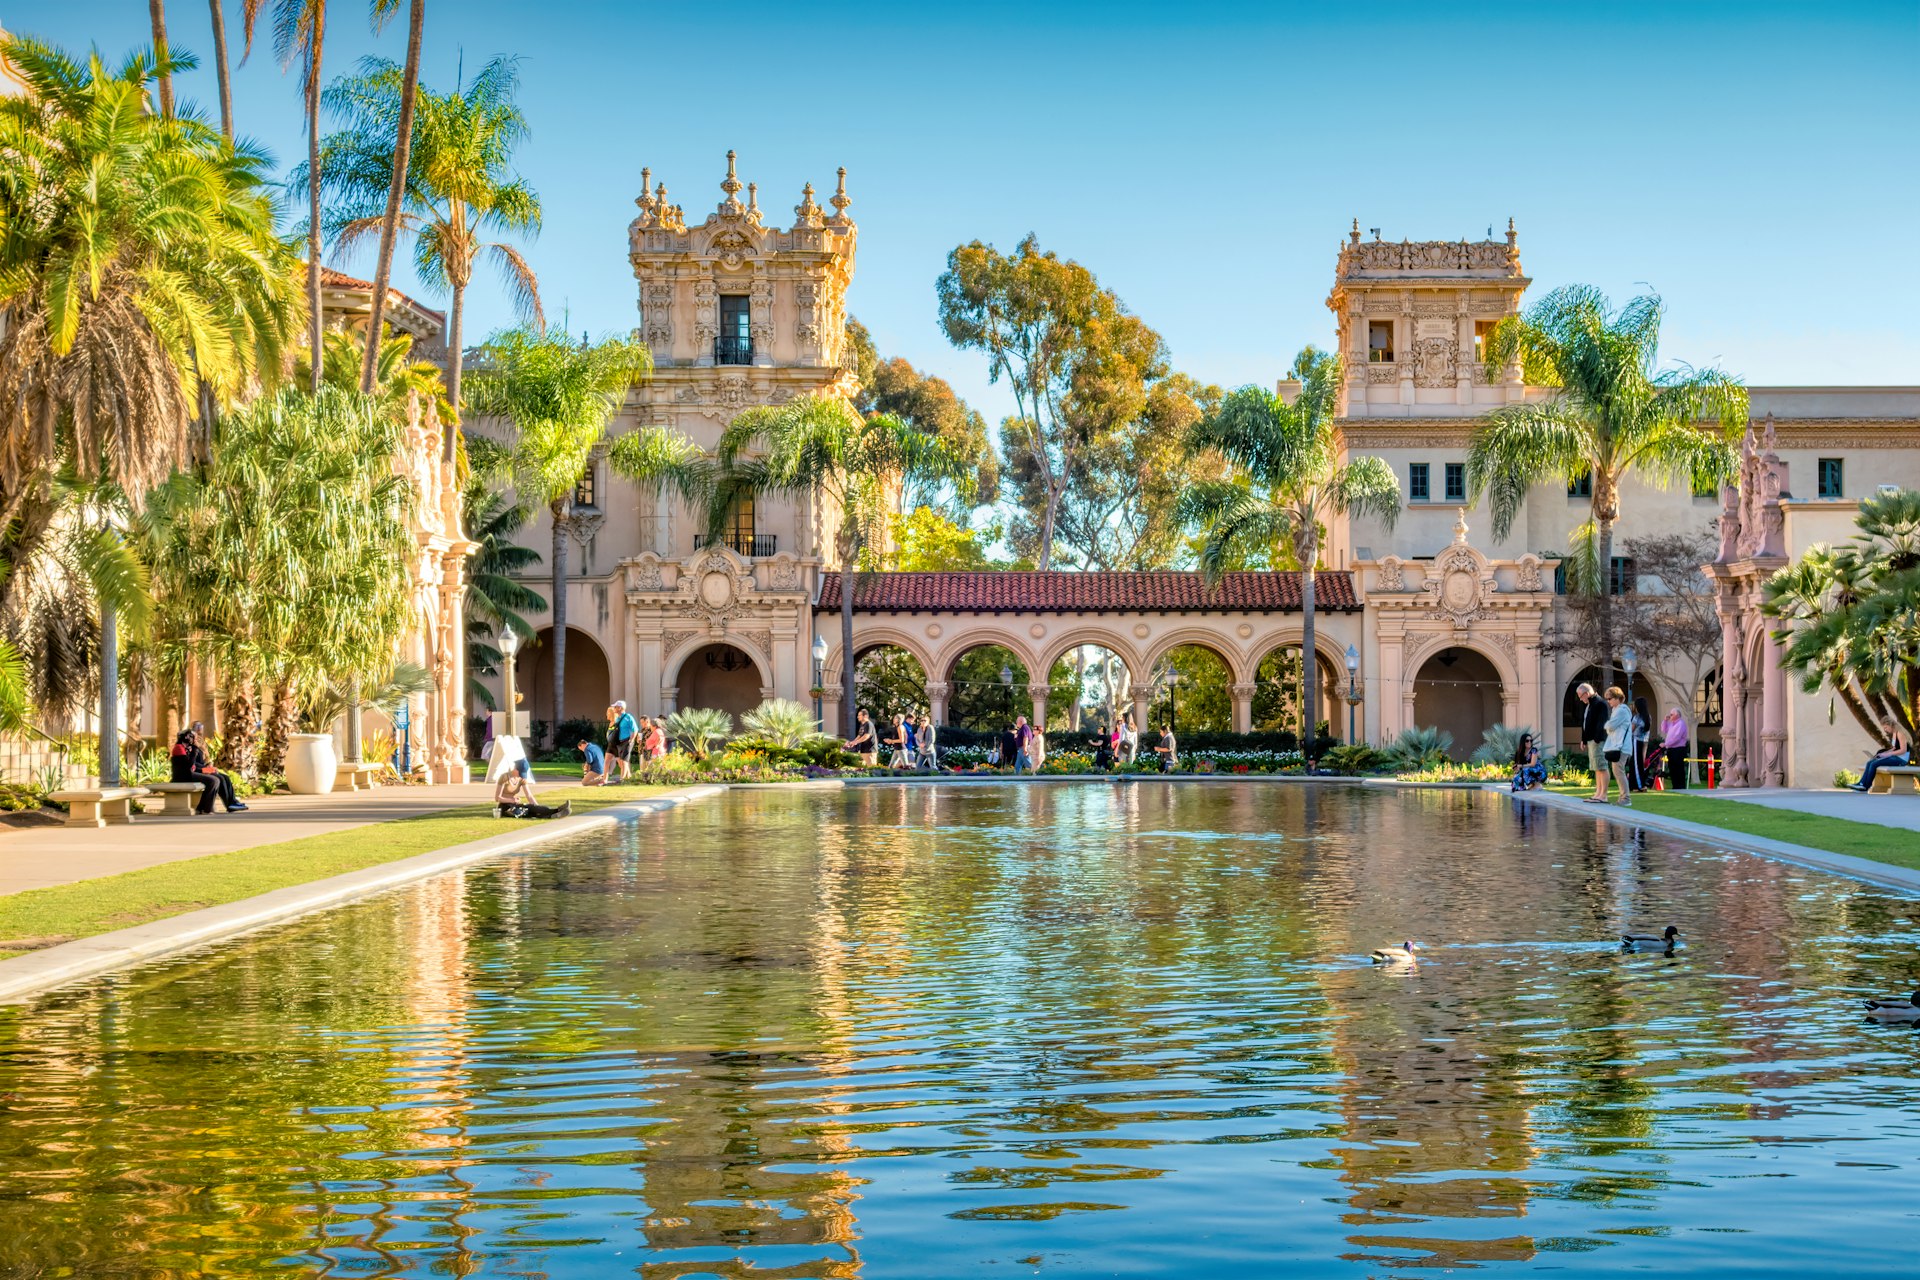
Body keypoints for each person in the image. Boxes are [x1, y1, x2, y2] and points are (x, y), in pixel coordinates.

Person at [170, 722, 246, 814]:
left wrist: (208, 766)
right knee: (217, 779)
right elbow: (191, 765)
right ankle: (210, 807)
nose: (195, 737)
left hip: (192, 772)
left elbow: (198, 763)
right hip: (187, 774)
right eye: (196, 728)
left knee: (224, 777)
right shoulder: (183, 748)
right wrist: (207, 768)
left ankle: (232, 802)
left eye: (201, 727)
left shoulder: (196, 746)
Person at [494, 757, 572, 819]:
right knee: (525, 811)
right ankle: (555, 813)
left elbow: (529, 795)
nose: (521, 776)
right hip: (505, 807)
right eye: (520, 773)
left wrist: (537, 807)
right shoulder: (504, 777)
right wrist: (512, 800)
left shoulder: (521, 779)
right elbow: (497, 798)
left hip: (515, 804)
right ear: (515, 769)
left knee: (532, 808)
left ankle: (557, 811)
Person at [1850, 720, 1911, 791]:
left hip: (1901, 760)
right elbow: (1894, 748)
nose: (1885, 730)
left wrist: (1888, 754)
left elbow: (1903, 750)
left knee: (1874, 764)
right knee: (1870, 762)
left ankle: (1865, 786)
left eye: (1886, 727)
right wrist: (1883, 754)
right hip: (1895, 757)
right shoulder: (1894, 733)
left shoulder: (1900, 733)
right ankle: (1861, 783)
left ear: (1891, 725)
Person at [1601, 686, 1634, 807]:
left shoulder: (1621, 711)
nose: (1608, 701)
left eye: (1610, 698)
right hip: (1619, 746)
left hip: (1621, 747)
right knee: (1618, 771)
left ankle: (1625, 798)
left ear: (1617, 698)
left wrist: (1607, 726)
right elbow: (1610, 727)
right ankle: (1624, 797)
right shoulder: (1617, 710)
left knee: (1619, 771)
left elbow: (1610, 726)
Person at [1577, 683, 1609, 802]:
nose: (1580, 699)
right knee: (1596, 767)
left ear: (1587, 693)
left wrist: (1596, 739)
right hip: (1591, 740)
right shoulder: (1589, 705)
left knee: (1601, 766)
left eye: (1581, 696)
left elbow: (1602, 723)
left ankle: (1603, 795)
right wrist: (1583, 739)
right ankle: (1598, 793)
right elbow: (1586, 723)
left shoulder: (1600, 703)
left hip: (1598, 740)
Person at [1661, 708, 1690, 791]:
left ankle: (1680, 787)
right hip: (1671, 749)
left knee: (1678, 768)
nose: (1670, 716)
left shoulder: (1681, 724)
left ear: (1677, 715)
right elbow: (1664, 730)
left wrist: (1666, 744)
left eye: (1671, 714)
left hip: (1678, 749)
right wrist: (1665, 721)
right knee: (1672, 768)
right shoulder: (1671, 724)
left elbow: (1676, 738)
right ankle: (1675, 786)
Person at [609, 701, 638, 780]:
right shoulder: (617, 718)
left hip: (627, 741)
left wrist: (631, 740)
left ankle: (622, 779)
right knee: (621, 761)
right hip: (619, 742)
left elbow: (635, 729)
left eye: (615, 707)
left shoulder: (628, 717)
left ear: (620, 708)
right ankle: (628, 777)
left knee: (624, 761)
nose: (614, 708)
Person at [1629, 695, 1653, 791]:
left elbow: (1631, 730)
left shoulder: (1637, 718)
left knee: (1635, 763)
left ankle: (1639, 785)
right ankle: (1637, 784)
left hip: (1636, 741)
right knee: (1640, 763)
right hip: (1644, 742)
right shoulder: (1648, 717)